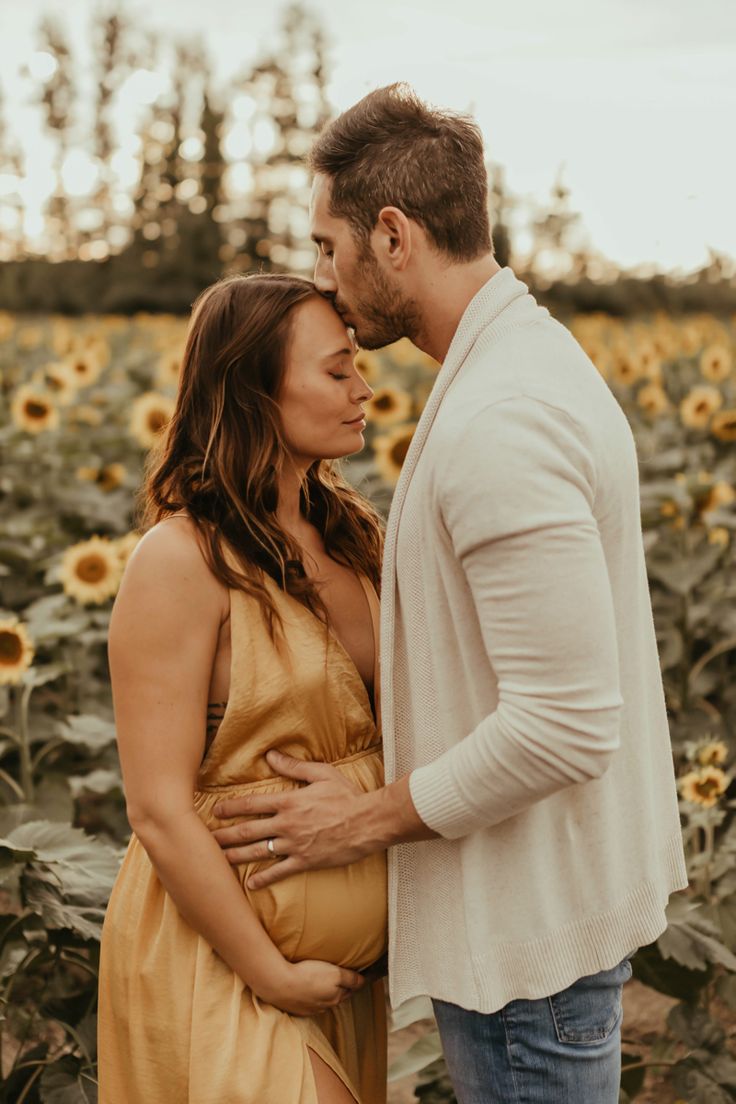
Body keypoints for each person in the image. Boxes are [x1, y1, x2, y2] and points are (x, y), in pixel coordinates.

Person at [212, 85, 690, 1103]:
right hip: (532, 916)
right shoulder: (515, 368)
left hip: (527, 950)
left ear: (392, 234)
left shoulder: (500, 420)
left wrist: (360, 821)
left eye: (328, 245)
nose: (322, 279)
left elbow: (563, 725)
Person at [97, 273, 389, 1104]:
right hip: (222, 959)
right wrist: (269, 970)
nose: (364, 389)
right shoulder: (179, 560)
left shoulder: (356, 536)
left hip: (335, 978)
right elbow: (156, 806)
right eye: (336, 371)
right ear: (254, 386)